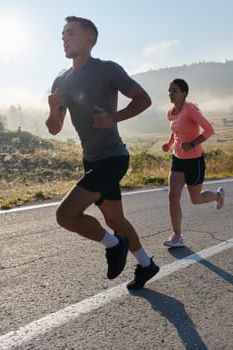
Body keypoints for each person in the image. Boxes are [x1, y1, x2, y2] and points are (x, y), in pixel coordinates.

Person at [46, 16, 159, 290]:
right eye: (63, 34)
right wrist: (53, 108)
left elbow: (143, 98)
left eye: (70, 33)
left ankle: (113, 244)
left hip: (113, 158)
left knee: (65, 216)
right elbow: (54, 128)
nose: (64, 38)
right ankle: (147, 265)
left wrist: (113, 118)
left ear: (89, 40)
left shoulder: (107, 69)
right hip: (92, 160)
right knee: (114, 219)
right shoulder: (61, 81)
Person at [161, 78, 225, 248]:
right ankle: (177, 236)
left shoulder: (191, 110)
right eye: (169, 90)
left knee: (195, 199)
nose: (171, 94)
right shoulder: (171, 112)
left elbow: (209, 130)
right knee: (172, 196)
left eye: (174, 91)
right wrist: (169, 144)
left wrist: (192, 144)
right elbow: (175, 132)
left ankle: (218, 196)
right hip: (177, 160)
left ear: (184, 93)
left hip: (194, 161)